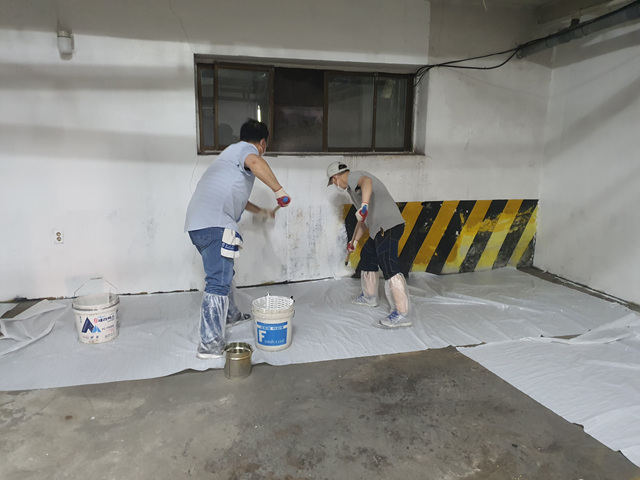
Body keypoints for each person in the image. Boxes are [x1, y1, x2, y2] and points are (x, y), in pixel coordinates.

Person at [185, 119, 291, 358]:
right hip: (215, 223)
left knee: (224, 271)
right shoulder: (247, 150)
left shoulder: (229, 156)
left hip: (199, 225)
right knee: (218, 281)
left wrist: (261, 211)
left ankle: (231, 315)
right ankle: (209, 344)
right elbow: (255, 162)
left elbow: (239, 198)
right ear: (262, 143)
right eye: (263, 147)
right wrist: (279, 190)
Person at [326, 161, 411, 328]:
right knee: (368, 255)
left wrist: (364, 206)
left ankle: (402, 313)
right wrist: (354, 241)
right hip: (378, 228)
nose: (335, 185)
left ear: (335, 177)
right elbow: (363, 220)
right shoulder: (353, 190)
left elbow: (367, 181)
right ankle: (369, 297)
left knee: (389, 266)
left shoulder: (354, 177)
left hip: (387, 226)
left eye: (333, 182)